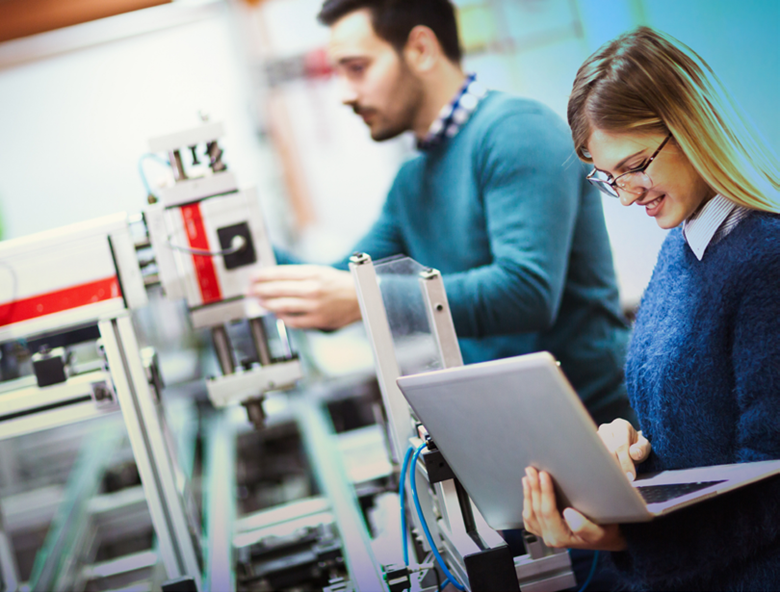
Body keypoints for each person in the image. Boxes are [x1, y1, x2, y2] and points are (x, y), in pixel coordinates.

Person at [251, 0, 634, 429]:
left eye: (357, 68)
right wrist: (241, 243)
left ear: (421, 49)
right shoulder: (413, 180)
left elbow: (525, 292)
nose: (344, 94)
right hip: (516, 430)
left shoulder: (516, 130)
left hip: (604, 428)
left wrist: (364, 299)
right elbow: (338, 284)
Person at [522, 26, 780, 590]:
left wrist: (625, 538)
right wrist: (635, 457)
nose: (629, 193)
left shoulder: (766, 263)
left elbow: (768, 488)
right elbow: (701, 436)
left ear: (690, 125)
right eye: (610, 178)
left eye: (636, 164)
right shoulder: (680, 250)